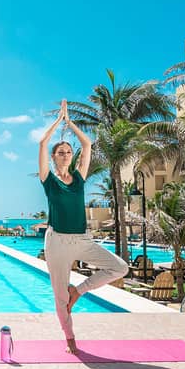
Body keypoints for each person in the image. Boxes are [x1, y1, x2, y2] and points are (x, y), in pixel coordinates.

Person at [38, 99, 128, 354]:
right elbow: (42, 143)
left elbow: (87, 144)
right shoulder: (48, 180)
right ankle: (70, 338)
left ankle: (79, 291)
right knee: (59, 299)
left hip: (82, 240)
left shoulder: (78, 178)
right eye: (61, 152)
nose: (65, 154)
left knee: (120, 267)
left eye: (68, 151)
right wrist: (57, 122)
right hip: (57, 243)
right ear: (54, 158)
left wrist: (69, 123)